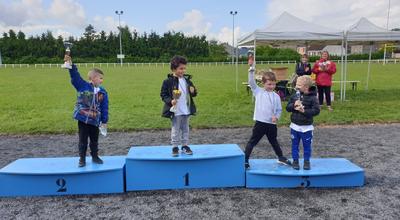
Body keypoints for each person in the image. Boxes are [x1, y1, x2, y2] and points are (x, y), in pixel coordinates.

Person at [244, 59, 292, 169]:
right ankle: (245, 160)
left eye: (273, 84)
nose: (271, 86)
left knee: (274, 141)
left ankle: (280, 157)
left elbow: (279, 110)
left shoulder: (276, 96)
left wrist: (277, 117)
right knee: (253, 141)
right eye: (269, 84)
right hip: (260, 123)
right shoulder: (258, 91)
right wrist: (251, 69)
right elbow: (251, 82)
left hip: (272, 124)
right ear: (263, 83)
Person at [64, 55, 108, 167]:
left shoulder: (103, 92)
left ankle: (95, 156)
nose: (102, 80)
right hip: (83, 120)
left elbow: (104, 107)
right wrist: (70, 65)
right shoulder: (82, 86)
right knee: (83, 140)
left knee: (94, 140)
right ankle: (82, 159)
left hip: (95, 121)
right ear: (93, 78)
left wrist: (104, 120)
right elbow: (75, 76)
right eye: (100, 78)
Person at [160, 55, 197, 157]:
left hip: (186, 110)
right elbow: (163, 95)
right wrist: (170, 101)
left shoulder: (187, 80)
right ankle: (175, 147)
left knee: (186, 129)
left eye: (184, 68)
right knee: (175, 129)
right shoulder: (168, 81)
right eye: (181, 68)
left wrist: (194, 91)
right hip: (176, 111)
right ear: (173, 69)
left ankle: (185, 145)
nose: (183, 71)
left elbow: (193, 93)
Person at [286, 75, 320, 170]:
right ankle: (295, 161)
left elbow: (316, 111)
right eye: (296, 84)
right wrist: (293, 105)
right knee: (295, 145)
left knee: (307, 147)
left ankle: (306, 161)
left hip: (307, 128)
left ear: (306, 87)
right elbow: (287, 108)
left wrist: (304, 111)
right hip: (294, 127)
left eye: (299, 85)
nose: (296, 86)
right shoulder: (294, 95)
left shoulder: (313, 98)